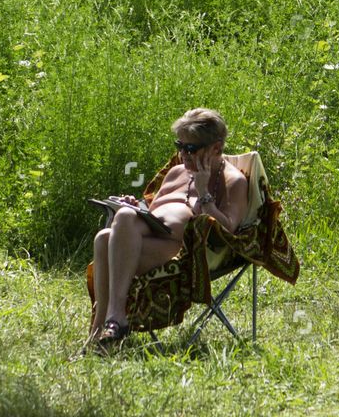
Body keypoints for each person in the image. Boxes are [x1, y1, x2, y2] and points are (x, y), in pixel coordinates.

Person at [86, 108, 249, 349]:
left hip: (181, 251)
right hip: (148, 238)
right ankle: (105, 330)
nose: (182, 154)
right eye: (179, 145)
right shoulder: (176, 172)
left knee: (109, 236)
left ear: (216, 148)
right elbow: (154, 209)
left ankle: (108, 323)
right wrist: (136, 206)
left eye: (190, 149)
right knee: (105, 236)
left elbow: (227, 230)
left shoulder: (232, 181)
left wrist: (204, 194)